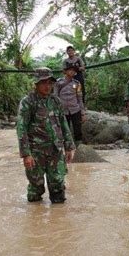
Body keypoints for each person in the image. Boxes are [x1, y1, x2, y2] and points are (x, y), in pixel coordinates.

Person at [16, 67, 76, 203]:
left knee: (58, 187)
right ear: (36, 84)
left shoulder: (55, 101)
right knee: (35, 189)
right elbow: (21, 128)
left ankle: (58, 221)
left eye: (50, 83)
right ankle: (34, 221)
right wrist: (26, 154)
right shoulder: (28, 102)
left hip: (55, 150)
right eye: (43, 83)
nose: (47, 86)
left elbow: (63, 123)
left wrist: (69, 146)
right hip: (36, 152)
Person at [54, 63, 86, 145]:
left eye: (74, 71)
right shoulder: (58, 83)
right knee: (64, 130)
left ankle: (79, 147)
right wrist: (56, 111)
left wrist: (82, 113)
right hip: (63, 110)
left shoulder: (77, 83)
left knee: (78, 129)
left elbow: (79, 97)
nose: (72, 72)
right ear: (65, 71)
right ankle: (66, 147)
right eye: (70, 70)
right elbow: (55, 97)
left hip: (75, 109)